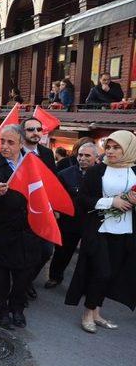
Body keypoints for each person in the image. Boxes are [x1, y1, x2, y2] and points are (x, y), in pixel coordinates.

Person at [65, 131, 136, 333]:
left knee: (111, 274)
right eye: (109, 147)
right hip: (98, 230)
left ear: (128, 149)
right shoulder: (98, 171)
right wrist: (110, 202)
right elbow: (83, 200)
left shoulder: (135, 171)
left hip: (124, 231)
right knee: (101, 272)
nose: (111, 151)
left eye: (116, 147)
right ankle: (88, 313)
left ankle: (97, 313)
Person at [0, 125, 42, 330]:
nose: (4, 146)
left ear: (21, 143)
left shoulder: (33, 164)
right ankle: (1, 311)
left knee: (22, 278)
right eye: (2, 141)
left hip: (28, 232)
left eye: (10, 142)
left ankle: (17, 309)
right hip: (0, 232)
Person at [45, 143, 99, 289]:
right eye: (80, 155)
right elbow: (55, 196)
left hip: (92, 222)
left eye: (87, 155)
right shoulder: (65, 174)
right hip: (69, 221)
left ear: (96, 157)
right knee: (63, 252)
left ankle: (85, 285)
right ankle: (55, 277)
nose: (83, 158)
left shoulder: (102, 175)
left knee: (89, 255)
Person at [20, 117, 57, 299]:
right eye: (31, 129)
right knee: (24, 252)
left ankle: (27, 281)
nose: (36, 132)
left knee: (45, 251)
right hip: (20, 211)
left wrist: (54, 207)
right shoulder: (15, 152)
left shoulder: (47, 154)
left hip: (43, 211)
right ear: (22, 133)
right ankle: (20, 284)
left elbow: (53, 182)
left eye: (39, 129)